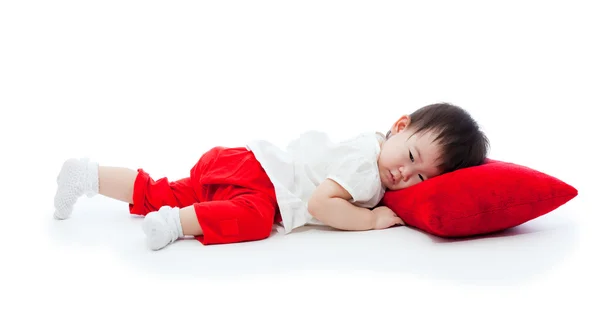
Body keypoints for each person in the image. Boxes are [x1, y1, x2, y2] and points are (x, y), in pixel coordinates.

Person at [52, 102, 489, 250]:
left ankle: (88, 176)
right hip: (261, 181)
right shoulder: (367, 173)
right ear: (398, 125)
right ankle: (175, 224)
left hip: (240, 159)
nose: (402, 172)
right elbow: (321, 204)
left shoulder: (368, 143)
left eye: (418, 177)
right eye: (410, 154)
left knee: (160, 189)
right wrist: (371, 219)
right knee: (256, 219)